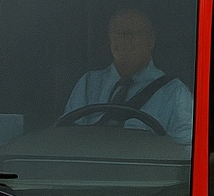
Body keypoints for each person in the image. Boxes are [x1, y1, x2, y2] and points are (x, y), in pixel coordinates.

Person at [62, 8, 194, 144]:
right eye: (118, 33)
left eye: (133, 33)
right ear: (110, 38)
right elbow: (67, 138)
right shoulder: (88, 83)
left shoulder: (175, 92)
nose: (124, 40)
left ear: (151, 40)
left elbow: (185, 148)